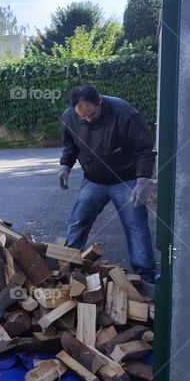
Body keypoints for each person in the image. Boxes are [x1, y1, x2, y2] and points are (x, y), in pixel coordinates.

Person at [58, 85, 158, 289]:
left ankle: (146, 276)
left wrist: (142, 180)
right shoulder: (70, 117)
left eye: (92, 114)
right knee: (78, 221)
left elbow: (144, 150)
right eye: (82, 117)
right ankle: (67, 265)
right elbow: (70, 145)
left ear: (100, 100)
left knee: (136, 227)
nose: (88, 120)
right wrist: (65, 166)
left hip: (126, 179)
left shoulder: (125, 113)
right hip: (93, 179)